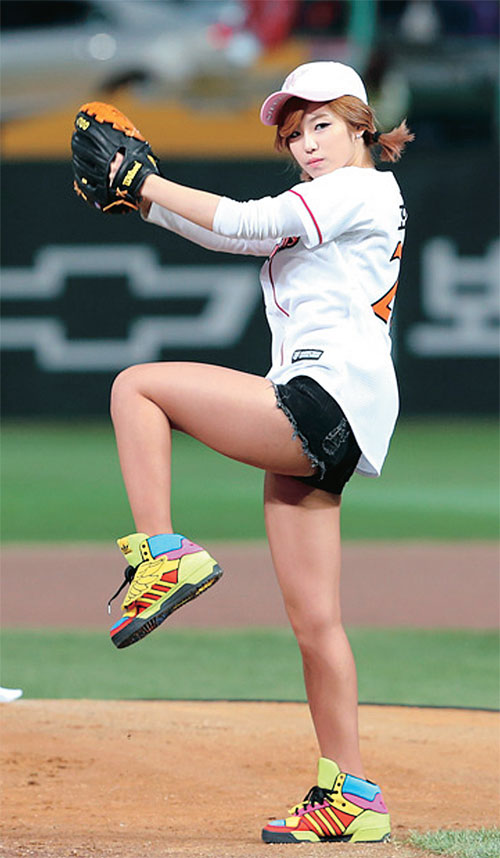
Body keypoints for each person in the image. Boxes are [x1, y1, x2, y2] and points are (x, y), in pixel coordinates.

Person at [106, 61, 413, 844]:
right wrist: (142, 198)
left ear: (361, 125)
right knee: (317, 623)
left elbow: (244, 219)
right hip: (336, 419)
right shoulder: (335, 202)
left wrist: (147, 181)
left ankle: (163, 555)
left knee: (137, 388)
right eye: (294, 133)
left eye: (322, 125)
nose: (307, 143)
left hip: (320, 400)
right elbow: (232, 232)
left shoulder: (360, 188)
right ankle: (352, 795)